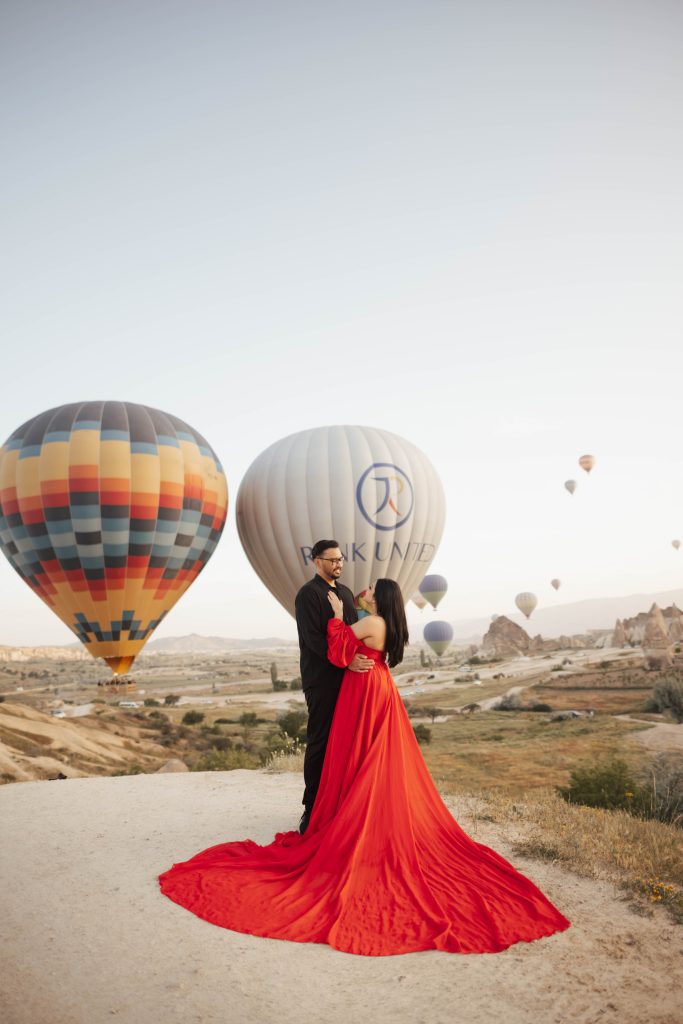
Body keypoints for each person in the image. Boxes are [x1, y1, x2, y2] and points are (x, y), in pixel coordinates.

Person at [158, 578, 571, 956]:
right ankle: (366, 813)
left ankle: (358, 821)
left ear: (381, 597)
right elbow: (353, 652)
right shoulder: (384, 624)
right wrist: (351, 640)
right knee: (371, 757)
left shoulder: (370, 621)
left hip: (365, 690)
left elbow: (337, 646)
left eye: (372, 587)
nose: (366, 587)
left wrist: (337, 617)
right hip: (377, 688)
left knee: (360, 756)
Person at [294, 539, 373, 834]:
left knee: (348, 742)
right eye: (332, 560)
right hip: (322, 680)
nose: (338, 564)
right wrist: (345, 662)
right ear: (317, 561)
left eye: (341, 560)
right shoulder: (308, 595)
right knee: (320, 742)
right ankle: (311, 808)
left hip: (348, 680)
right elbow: (313, 641)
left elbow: (352, 633)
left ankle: (341, 806)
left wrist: (359, 660)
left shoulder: (346, 592)